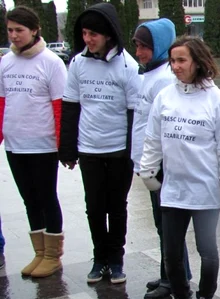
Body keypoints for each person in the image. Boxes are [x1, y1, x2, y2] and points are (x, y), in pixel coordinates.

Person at [140, 36, 220, 299]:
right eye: (172, 60)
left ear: (197, 61)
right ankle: (180, 297)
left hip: (206, 191)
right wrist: (147, 171)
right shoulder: (165, 97)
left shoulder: (217, 100)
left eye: (181, 60)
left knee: (206, 251)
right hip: (172, 190)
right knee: (171, 251)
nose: (175, 66)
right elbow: (152, 138)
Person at [59, 3, 141, 284]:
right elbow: (70, 106)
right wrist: (67, 148)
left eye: (93, 34)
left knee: (116, 206)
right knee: (93, 207)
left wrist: (134, 154)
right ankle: (99, 258)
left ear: (108, 35)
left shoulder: (128, 66)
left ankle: (116, 259)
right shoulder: (78, 63)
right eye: (84, 33)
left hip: (119, 150)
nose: (88, 39)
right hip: (89, 148)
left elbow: (134, 115)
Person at [0, 6, 67, 277]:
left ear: (35, 30)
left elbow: (60, 106)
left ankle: (52, 255)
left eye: (19, 30)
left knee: (46, 197)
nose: (14, 36)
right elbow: (2, 103)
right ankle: (39, 253)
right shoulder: (5, 62)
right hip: (15, 144)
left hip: (43, 144)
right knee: (29, 199)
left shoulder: (51, 62)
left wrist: (64, 146)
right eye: (10, 30)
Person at [130, 18, 193, 299]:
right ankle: (171, 271)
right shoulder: (149, 74)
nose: (139, 52)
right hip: (151, 163)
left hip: (164, 165)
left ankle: (174, 278)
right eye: (137, 46)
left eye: (145, 46)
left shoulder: (166, 78)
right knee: (162, 224)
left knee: (168, 225)